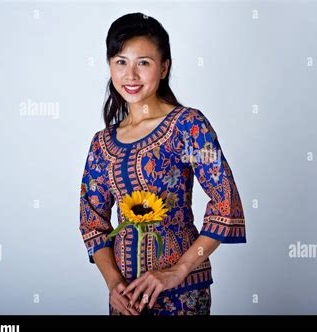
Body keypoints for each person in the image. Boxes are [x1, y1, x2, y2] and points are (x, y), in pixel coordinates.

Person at [79, 12, 246, 315]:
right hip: (126, 299)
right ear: (110, 67)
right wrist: (113, 283)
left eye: (143, 62)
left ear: (164, 67)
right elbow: (93, 224)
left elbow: (226, 202)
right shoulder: (101, 144)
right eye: (121, 62)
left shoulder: (188, 126)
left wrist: (179, 270)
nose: (131, 75)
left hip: (183, 294)